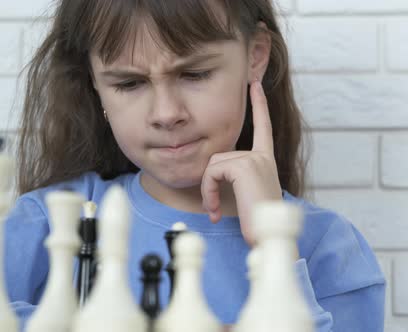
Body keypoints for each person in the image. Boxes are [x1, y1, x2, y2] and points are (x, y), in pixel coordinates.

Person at [4, 1, 385, 331]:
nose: (167, 114)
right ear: (95, 83)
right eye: (129, 83)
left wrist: (275, 244)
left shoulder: (329, 249)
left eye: (195, 74)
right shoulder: (46, 223)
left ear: (255, 55)